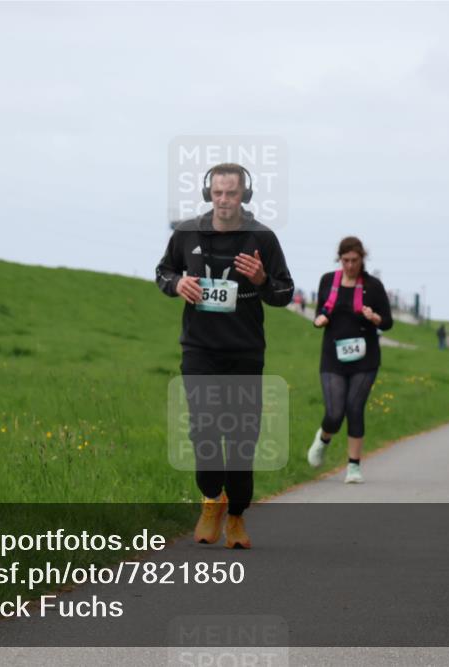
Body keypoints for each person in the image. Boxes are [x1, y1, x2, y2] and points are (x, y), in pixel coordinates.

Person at [155, 163, 294, 549]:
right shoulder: (187, 233)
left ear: (244, 195)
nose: (224, 200)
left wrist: (261, 280)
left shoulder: (262, 238)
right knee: (203, 427)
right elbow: (163, 272)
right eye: (217, 193)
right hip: (199, 348)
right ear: (208, 194)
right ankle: (211, 499)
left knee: (242, 436)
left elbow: (284, 293)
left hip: (245, 351)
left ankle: (235, 516)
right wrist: (177, 283)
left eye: (231, 193)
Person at [306, 236, 393, 483]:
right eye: (346, 260)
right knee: (335, 413)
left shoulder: (373, 286)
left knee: (354, 408)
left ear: (362, 259)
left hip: (365, 358)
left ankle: (353, 467)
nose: (351, 265)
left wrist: (374, 317)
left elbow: (387, 322)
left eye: (355, 260)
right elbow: (320, 312)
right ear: (339, 259)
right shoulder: (327, 281)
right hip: (333, 356)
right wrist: (319, 320)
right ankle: (323, 439)